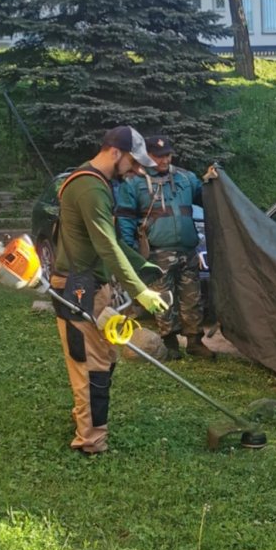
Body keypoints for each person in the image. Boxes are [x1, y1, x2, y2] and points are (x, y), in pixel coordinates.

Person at [51, 126, 169, 455]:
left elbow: (112, 239)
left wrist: (142, 266)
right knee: (90, 364)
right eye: (133, 161)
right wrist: (139, 291)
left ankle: (87, 421)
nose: (137, 169)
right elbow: (106, 245)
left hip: (93, 286)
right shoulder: (89, 187)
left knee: (103, 358)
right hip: (78, 289)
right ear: (115, 152)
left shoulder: (98, 184)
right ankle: (90, 440)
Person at [115, 135, 217, 360]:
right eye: (158, 156)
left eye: (167, 155)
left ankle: (194, 342)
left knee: (193, 298)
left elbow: (208, 197)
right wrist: (130, 252)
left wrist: (214, 181)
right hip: (156, 252)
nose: (164, 160)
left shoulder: (186, 178)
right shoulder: (134, 183)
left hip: (187, 250)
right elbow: (125, 219)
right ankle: (169, 342)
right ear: (147, 156)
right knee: (163, 300)